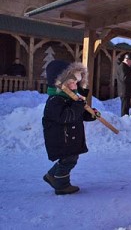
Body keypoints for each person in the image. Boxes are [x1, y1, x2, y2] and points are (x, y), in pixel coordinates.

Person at [42, 60, 97, 195]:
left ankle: (51, 175)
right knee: (68, 160)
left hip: (69, 138)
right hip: (61, 139)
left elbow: (78, 115)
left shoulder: (69, 99)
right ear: (60, 84)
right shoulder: (55, 100)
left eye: (75, 82)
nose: (75, 86)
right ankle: (62, 185)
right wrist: (78, 106)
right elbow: (66, 116)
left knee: (68, 159)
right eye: (71, 82)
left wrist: (91, 115)